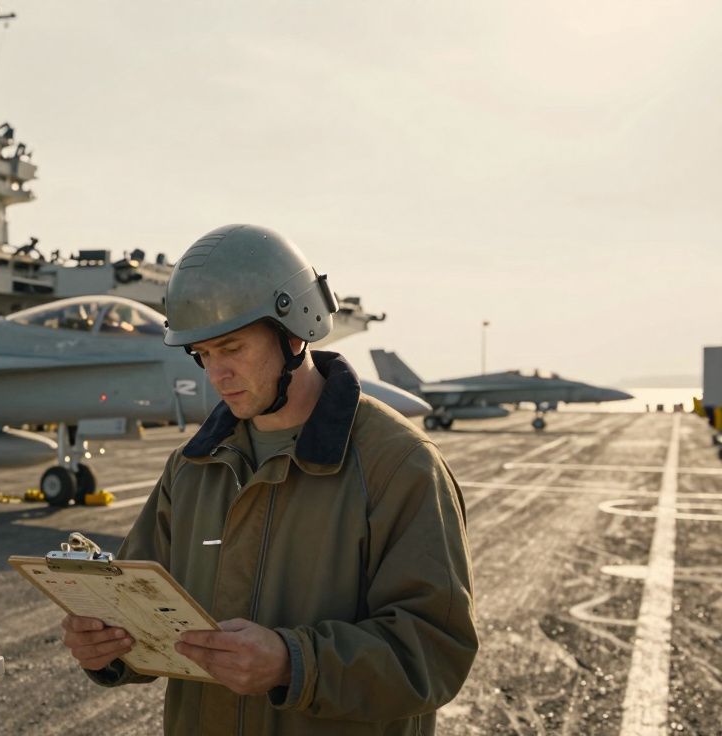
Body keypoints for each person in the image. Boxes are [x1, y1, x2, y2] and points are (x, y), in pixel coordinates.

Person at [60, 224, 477, 735]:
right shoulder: (193, 466)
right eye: (202, 354)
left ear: (295, 333)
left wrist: (292, 663)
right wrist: (107, 648)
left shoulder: (400, 463)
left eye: (231, 348)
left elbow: (434, 652)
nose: (217, 374)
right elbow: (139, 607)